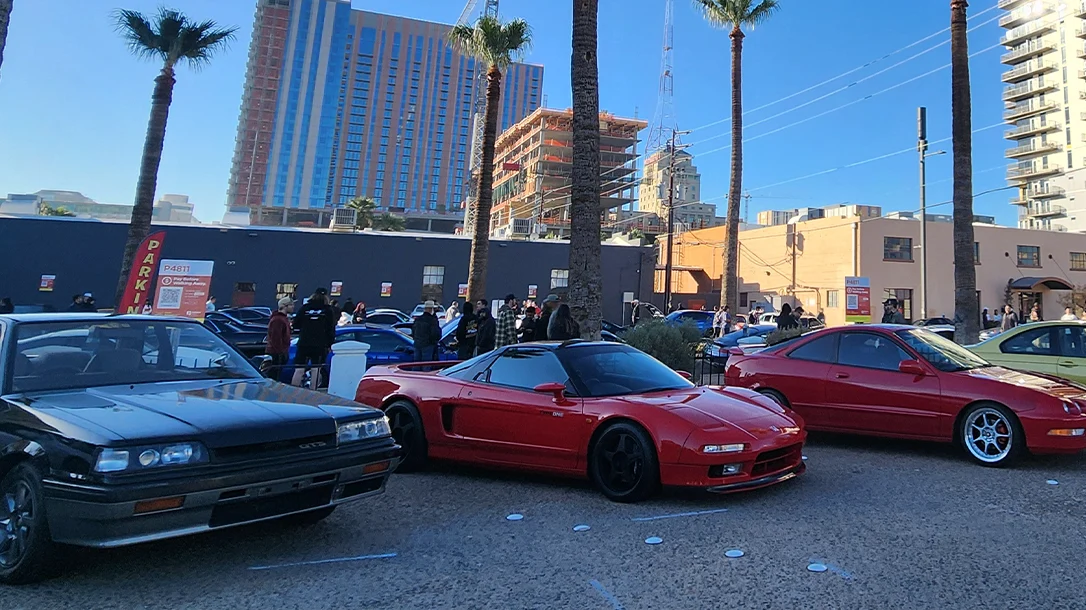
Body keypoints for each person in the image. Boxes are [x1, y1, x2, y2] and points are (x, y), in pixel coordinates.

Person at [290, 289, 336, 387]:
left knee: (299, 369)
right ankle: (313, 390)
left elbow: (296, 324)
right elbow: (331, 328)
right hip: (320, 344)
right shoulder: (328, 310)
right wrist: (330, 343)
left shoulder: (305, 308)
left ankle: (293, 389)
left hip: (304, 342)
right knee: (316, 369)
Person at [266, 297, 294, 378]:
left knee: (276, 374)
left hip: (279, 352)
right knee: (274, 375)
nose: (293, 307)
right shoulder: (278, 320)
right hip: (276, 353)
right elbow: (276, 338)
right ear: (285, 306)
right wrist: (281, 352)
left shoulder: (282, 318)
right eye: (291, 305)